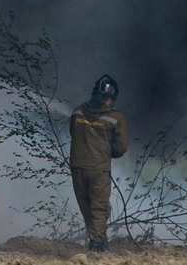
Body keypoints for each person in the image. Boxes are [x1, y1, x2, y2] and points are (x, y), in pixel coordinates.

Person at [69, 74, 128, 252]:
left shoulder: (77, 111)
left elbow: (73, 132)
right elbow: (121, 148)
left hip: (77, 166)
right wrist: (102, 151)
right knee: (99, 206)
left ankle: (98, 238)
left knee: (86, 204)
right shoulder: (115, 118)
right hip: (99, 169)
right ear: (110, 99)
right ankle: (96, 245)